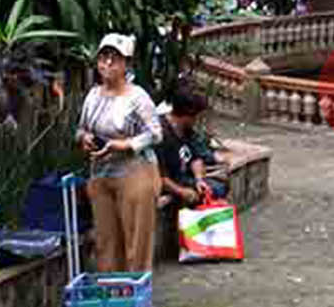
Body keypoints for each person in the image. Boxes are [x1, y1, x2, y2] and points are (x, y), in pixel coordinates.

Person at [75, 33, 164, 273]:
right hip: (101, 173)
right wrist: (85, 139)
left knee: (136, 240)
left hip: (135, 171)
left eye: (114, 59)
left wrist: (125, 144)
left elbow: (155, 134)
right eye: (103, 58)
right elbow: (81, 128)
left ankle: (135, 295)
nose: (107, 64)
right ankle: (111, 295)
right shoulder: (93, 95)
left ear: (126, 63)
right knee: (105, 240)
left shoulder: (137, 97)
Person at [157, 91, 227, 208]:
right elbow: (159, 176)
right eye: (197, 116)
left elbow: (196, 157)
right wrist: (181, 191)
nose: (198, 120)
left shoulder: (187, 130)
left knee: (218, 187)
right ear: (187, 115)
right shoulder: (161, 134)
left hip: (185, 177)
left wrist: (199, 179)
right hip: (169, 182)